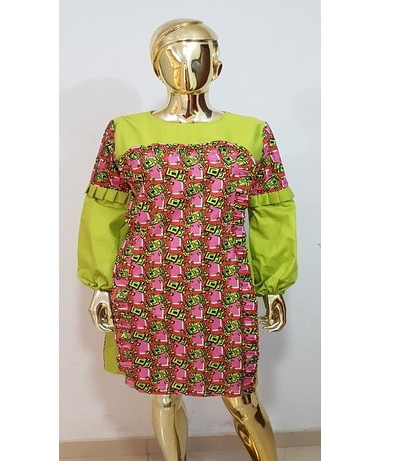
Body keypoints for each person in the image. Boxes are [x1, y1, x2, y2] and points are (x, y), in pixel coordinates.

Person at [77, 18, 298, 461]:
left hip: (224, 285)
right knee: (162, 392)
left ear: (218, 65)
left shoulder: (251, 133)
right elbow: (104, 210)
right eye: (174, 55)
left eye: (200, 55)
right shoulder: (125, 131)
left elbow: (272, 211)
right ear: (155, 66)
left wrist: (273, 284)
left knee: (241, 394)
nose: (187, 65)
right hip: (148, 285)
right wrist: (100, 283)